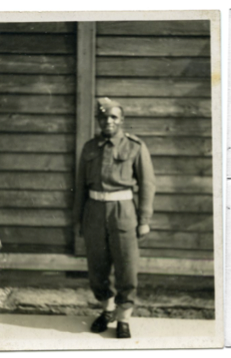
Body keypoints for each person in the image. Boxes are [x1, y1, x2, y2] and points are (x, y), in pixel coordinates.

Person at [73, 97, 156, 339]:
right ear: (98, 120)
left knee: (126, 267)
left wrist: (144, 219)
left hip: (124, 212)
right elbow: (79, 187)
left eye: (113, 117)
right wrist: (78, 220)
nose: (108, 121)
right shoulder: (89, 148)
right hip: (94, 212)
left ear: (121, 120)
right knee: (97, 267)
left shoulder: (135, 146)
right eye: (103, 117)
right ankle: (107, 309)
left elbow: (148, 185)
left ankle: (123, 317)